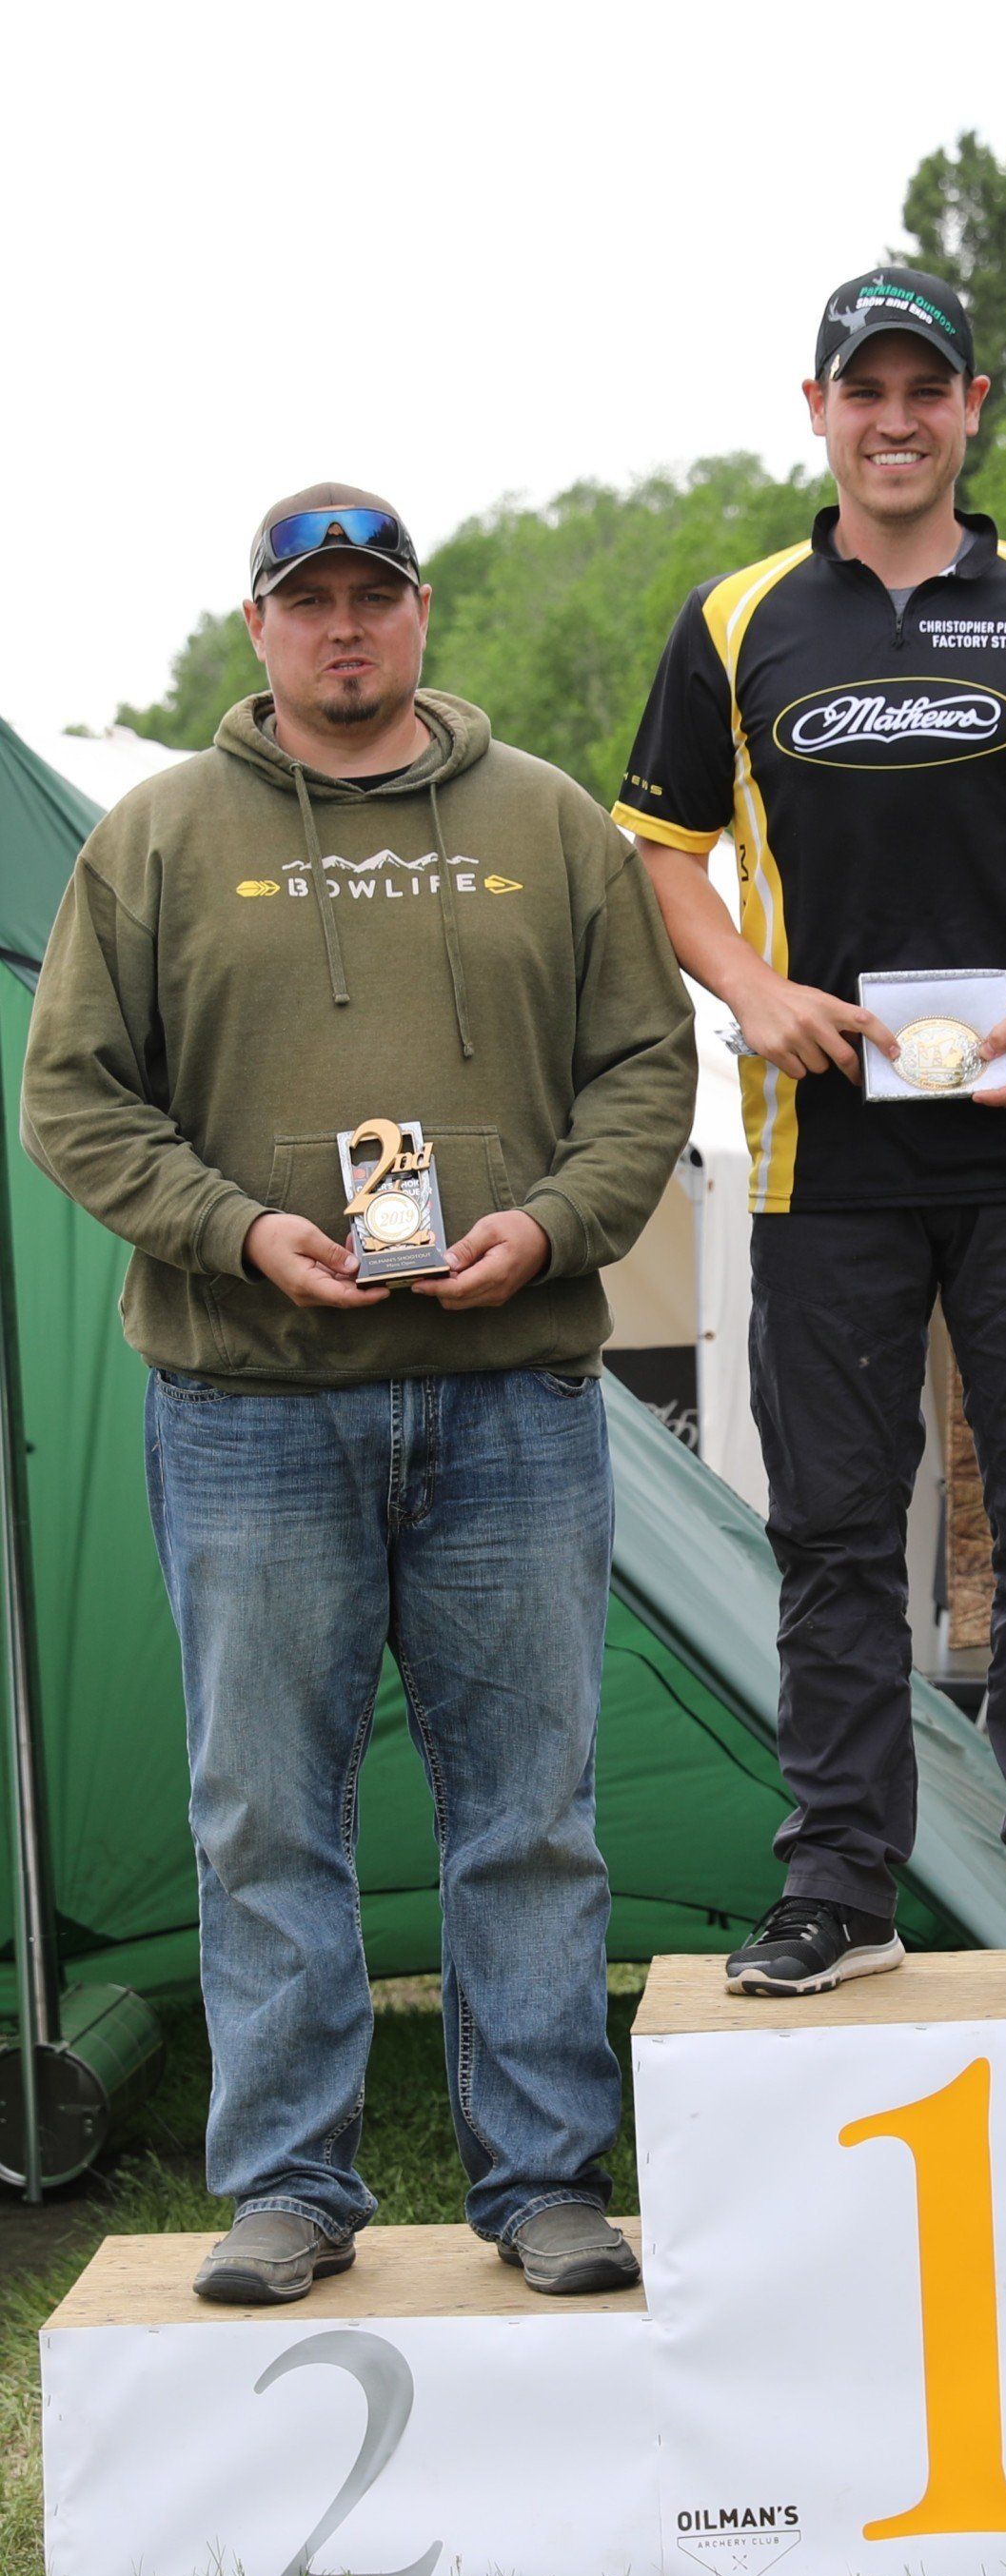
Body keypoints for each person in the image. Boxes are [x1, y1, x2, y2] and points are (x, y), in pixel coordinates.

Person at [22, 484, 696, 2303]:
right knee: (261, 1812)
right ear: (259, 626)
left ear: (419, 616)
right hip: (248, 1405)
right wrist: (238, 1236)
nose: (344, 628)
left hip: (511, 1399)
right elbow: (75, 1094)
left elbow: (646, 1063)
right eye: (308, 599)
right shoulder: (159, 835)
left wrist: (555, 1228)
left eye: (373, 597)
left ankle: (545, 2182)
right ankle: (289, 2192)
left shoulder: (547, 823)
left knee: (530, 1812)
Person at [615, 269, 1006, 1996]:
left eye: (925, 388)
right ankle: (841, 1886)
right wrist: (750, 990)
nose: (894, 417)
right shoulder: (738, 622)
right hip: (823, 1158)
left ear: (971, 407)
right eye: (861, 388)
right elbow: (661, 845)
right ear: (817, 410)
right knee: (828, 1529)